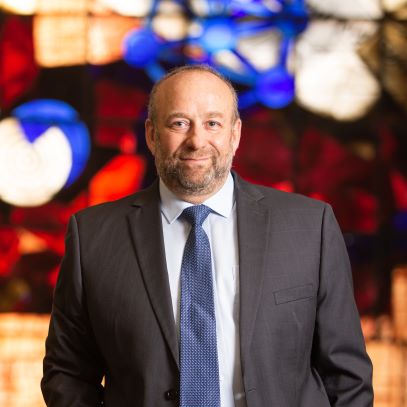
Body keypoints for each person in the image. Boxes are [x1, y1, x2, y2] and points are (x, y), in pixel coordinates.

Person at [41, 64, 373, 407]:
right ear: (152, 135)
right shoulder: (93, 236)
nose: (197, 140)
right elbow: (68, 372)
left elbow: (346, 376)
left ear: (235, 134)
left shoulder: (310, 226)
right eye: (179, 123)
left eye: (212, 123)